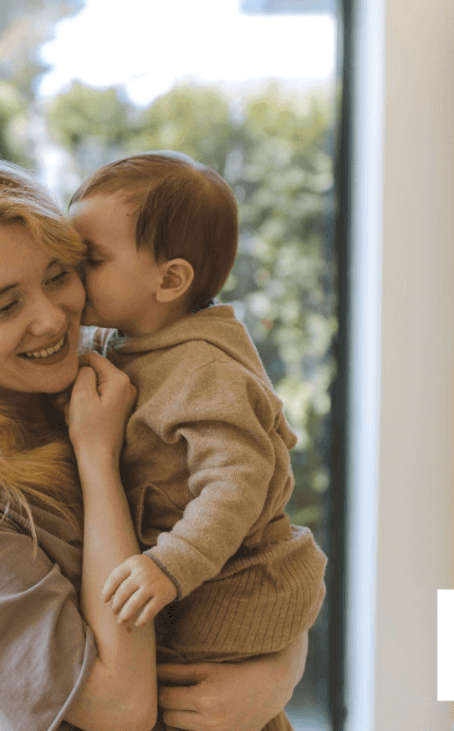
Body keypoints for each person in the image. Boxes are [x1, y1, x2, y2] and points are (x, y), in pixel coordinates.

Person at [0, 154, 310, 731]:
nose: (52, 320)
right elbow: (116, 708)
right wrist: (97, 461)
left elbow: (261, 539)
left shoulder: (108, 379)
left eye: (59, 275)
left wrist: (276, 670)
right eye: (3, 306)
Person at [68, 152, 328, 731]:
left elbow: (236, 481)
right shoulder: (137, 342)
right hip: (210, 587)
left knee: (191, 700)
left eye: (92, 260)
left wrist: (170, 564)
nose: (73, 276)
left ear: (170, 279)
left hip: (237, 588)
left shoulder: (201, 369)